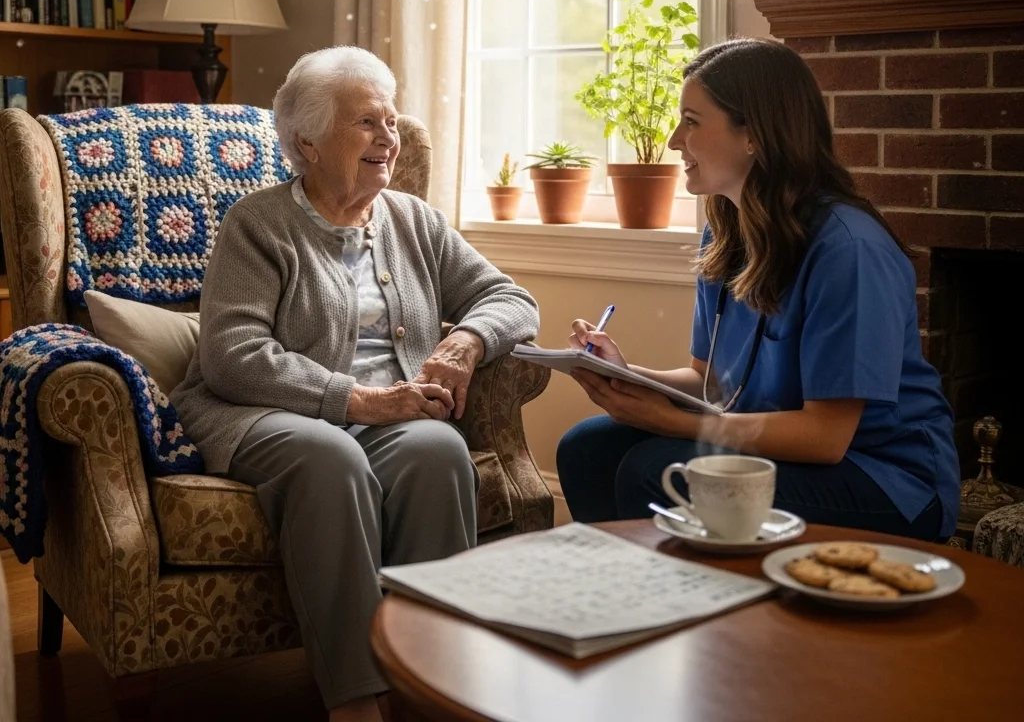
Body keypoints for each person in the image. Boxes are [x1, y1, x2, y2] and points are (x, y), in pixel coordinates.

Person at [172, 47, 540, 722]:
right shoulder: (257, 224)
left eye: (392, 121)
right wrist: (361, 400)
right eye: (367, 121)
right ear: (307, 142)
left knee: (436, 450)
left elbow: (511, 299)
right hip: (262, 412)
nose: (388, 137)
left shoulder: (414, 221)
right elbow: (232, 356)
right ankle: (356, 698)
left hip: (389, 418)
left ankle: (430, 679)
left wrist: (466, 340)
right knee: (328, 456)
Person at [556, 39, 960, 543]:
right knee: (586, 449)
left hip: (883, 479)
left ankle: (688, 608)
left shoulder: (849, 250)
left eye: (691, 121)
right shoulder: (725, 232)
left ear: (753, 134)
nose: (674, 140)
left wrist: (673, 423)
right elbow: (709, 381)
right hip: (778, 450)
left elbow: (826, 437)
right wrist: (625, 374)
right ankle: (631, 605)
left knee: (653, 466)